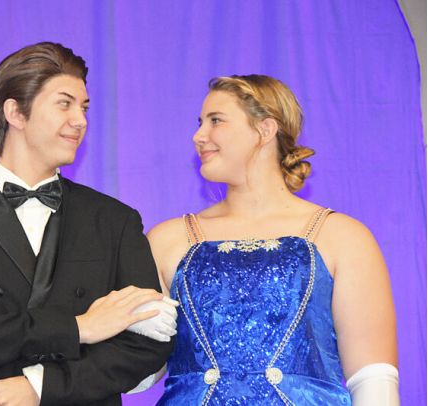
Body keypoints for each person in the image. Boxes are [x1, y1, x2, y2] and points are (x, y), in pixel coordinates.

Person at [0, 42, 177, 406]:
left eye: (84, 107)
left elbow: (147, 344)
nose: (80, 120)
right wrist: (77, 328)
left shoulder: (114, 219)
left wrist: (41, 386)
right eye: (64, 104)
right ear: (16, 113)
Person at [148, 75, 399, 405]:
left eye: (216, 120)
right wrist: (136, 330)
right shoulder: (167, 240)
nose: (199, 136)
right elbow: (140, 372)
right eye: (200, 123)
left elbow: (373, 379)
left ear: (265, 130)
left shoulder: (342, 237)